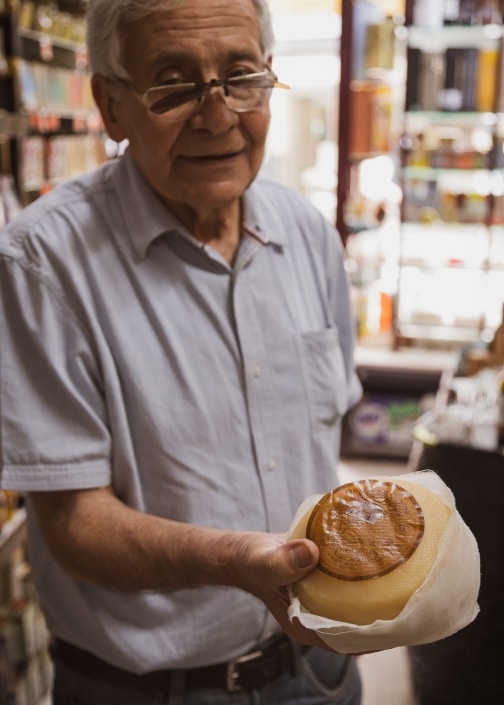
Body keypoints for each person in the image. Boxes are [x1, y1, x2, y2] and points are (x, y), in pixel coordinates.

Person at [0, 0, 363, 703]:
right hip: (150, 690)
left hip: (320, 667)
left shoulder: (308, 233)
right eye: (173, 83)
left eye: (241, 76)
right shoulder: (41, 263)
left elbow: (324, 436)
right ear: (111, 106)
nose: (219, 116)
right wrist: (242, 561)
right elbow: (74, 523)